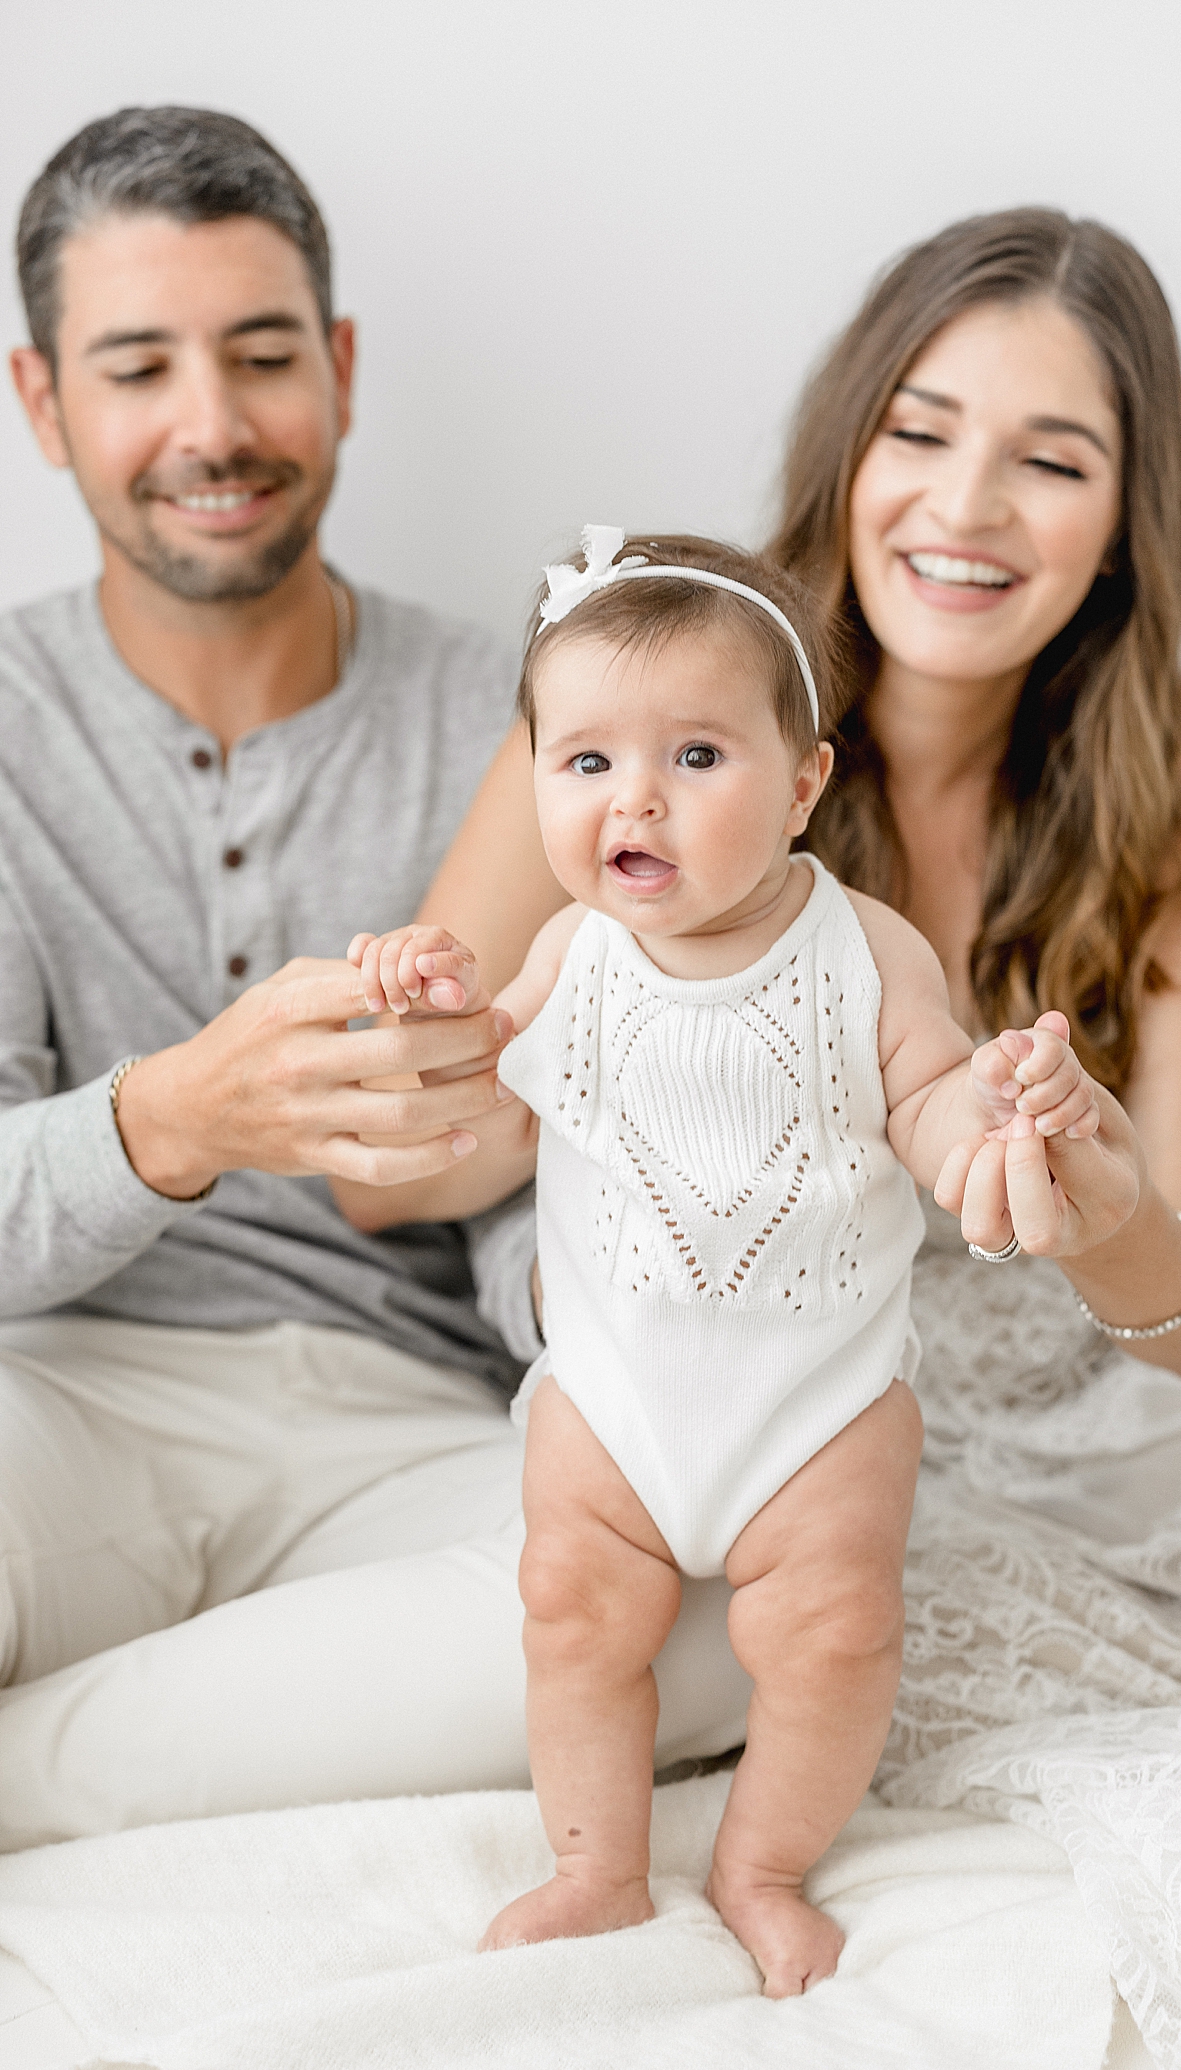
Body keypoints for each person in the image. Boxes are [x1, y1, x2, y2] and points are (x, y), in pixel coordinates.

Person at [398, 210, 1181, 1791]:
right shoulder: (644, 728)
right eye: (918, 431)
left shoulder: (1176, 821)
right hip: (738, 1390)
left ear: (1129, 521)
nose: (966, 505)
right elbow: (412, 1172)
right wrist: (447, 1036)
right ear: (844, 449)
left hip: (1084, 1417)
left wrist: (1102, 1210)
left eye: (1052, 461)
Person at [0, 106, 750, 1855]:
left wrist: (596, 1293)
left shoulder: (553, 724)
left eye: (265, 355)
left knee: (721, 1619)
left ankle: (39, 1779)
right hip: (57, 1403)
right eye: (138, 368)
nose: (214, 426)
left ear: (338, 371)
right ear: (42, 402)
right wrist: (164, 1124)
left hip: (411, 1434)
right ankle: (240, 1711)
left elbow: (534, 1162)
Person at [339, 527, 1097, 1991]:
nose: (637, 798)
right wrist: (428, 1009)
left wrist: (985, 1121)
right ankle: (596, 1868)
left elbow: (930, 1102)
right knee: (568, 1603)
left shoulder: (866, 952)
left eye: (696, 757)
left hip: (816, 1398)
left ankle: (761, 1864)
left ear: (804, 781)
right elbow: (477, 1089)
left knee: (836, 1627)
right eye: (588, 763)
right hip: (615, 1387)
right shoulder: (569, 955)